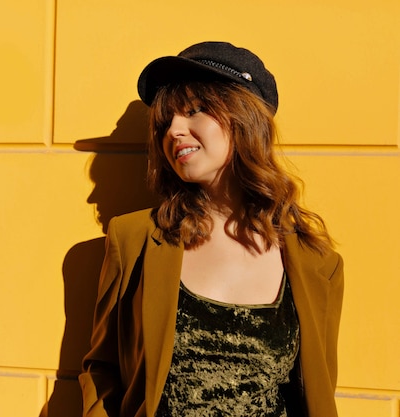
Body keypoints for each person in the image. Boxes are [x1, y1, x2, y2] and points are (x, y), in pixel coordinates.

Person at [79, 41, 344, 417]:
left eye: (194, 111)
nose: (174, 131)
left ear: (243, 118)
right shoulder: (134, 238)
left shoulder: (318, 264)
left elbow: (314, 391)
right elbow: (102, 370)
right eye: (165, 122)